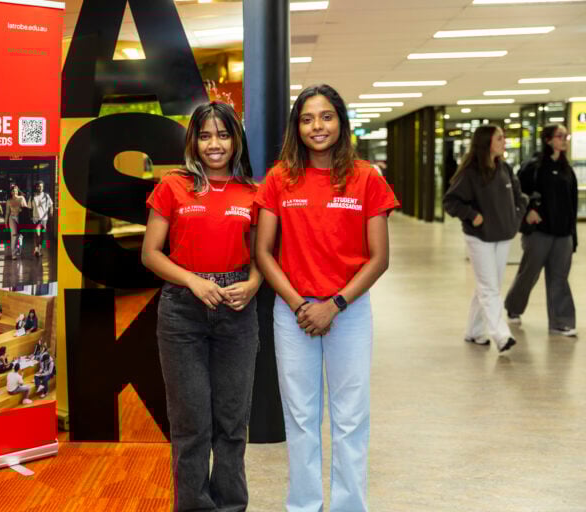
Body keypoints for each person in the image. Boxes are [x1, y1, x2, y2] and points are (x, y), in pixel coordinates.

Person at [255, 84, 400, 512]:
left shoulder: (366, 177)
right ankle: (303, 506)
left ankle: (349, 506)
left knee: (351, 417)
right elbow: (263, 252)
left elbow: (380, 258)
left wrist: (334, 305)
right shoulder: (280, 178)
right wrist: (302, 305)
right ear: (296, 128)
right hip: (293, 312)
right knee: (300, 417)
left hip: (349, 312)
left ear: (340, 121)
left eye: (326, 116)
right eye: (307, 118)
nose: (317, 126)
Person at [142, 101, 262, 511]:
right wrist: (193, 281)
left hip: (237, 309)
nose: (215, 144)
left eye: (223, 135)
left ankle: (231, 506)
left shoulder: (252, 192)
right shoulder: (172, 186)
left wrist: (252, 285)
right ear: (193, 140)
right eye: (206, 135)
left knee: (231, 424)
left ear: (236, 140)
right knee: (191, 425)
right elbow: (151, 254)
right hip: (182, 310)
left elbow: (261, 256)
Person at [444, 124, 527, 352]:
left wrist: (515, 217)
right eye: (499, 138)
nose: (504, 141)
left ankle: (474, 331)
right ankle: (501, 335)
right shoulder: (470, 173)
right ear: (486, 142)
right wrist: (473, 216)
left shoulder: (505, 169)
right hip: (479, 238)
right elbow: (451, 202)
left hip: (503, 235)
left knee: (488, 285)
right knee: (489, 287)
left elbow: (520, 197)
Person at [505, 124, 578, 337]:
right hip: (539, 232)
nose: (564, 139)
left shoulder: (567, 170)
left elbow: (571, 204)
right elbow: (517, 194)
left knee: (559, 277)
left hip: (563, 233)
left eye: (566, 136)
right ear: (548, 140)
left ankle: (561, 322)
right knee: (529, 274)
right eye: (560, 136)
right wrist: (527, 211)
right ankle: (514, 306)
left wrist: (573, 236)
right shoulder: (533, 167)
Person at [30, 180, 54, 257]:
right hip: (36, 218)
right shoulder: (32, 197)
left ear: (43, 187)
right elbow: (29, 208)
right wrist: (31, 217)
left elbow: (51, 205)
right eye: (39, 186)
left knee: (42, 235)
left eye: (41, 186)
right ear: (36, 187)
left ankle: (39, 249)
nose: (40, 188)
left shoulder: (46, 196)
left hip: (44, 219)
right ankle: (36, 249)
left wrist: (51, 212)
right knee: (37, 234)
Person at [5, 185, 28, 260]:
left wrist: (22, 209)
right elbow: (7, 212)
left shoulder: (21, 198)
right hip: (12, 218)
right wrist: (6, 222)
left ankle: (19, 250)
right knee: (14, 235)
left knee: (20, 236)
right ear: (11, 192)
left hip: (20, 218)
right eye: (13, 191)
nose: (14, 192)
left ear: (18, 191)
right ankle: (13, 254)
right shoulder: (9, 201)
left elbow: (25, 209)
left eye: (16, 190)